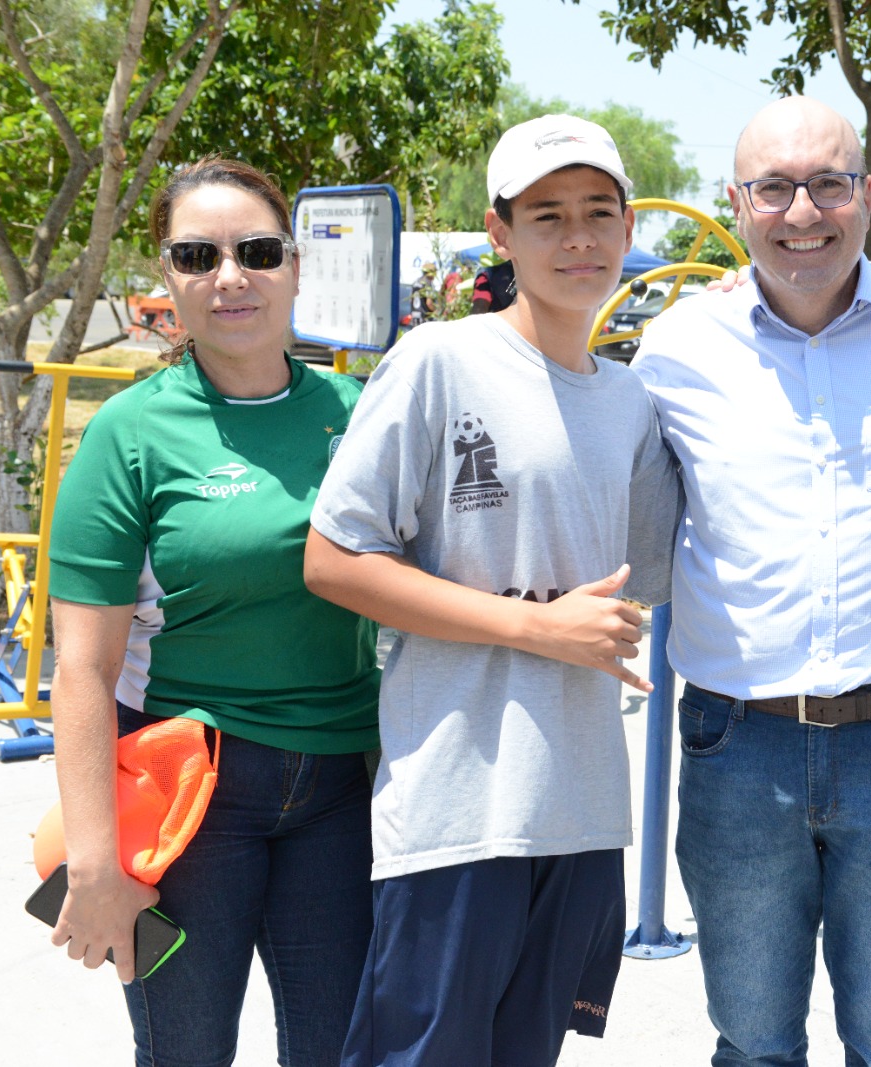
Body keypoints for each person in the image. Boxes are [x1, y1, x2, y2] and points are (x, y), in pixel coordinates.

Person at [630, 95, 871, 1067]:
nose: (801, 212)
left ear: (866, 191)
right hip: (736, 744)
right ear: (735, 204)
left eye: (826, 184)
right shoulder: (677, 350)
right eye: (773, 188)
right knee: (753, 1040)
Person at [303, 115, 679, 1066]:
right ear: (500, 233)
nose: (580, 236)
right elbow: (334, 558)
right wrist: (534, 626)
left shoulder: (631, 402)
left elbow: (631, 589)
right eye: (547, 215)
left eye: (600, 211)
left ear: (631, 227)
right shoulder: (441, 360)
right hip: (457, 810)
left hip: (583, 804)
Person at [46, 157, 382, 1066]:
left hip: (343, 793)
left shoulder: (362, 415)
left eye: (257, 251)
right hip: (187, 796)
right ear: (168, 276)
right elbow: (81, 666)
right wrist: (94, 858)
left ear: (296, 264)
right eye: (199, 255)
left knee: (343, 1053)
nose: (230, 277)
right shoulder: (130, 433)